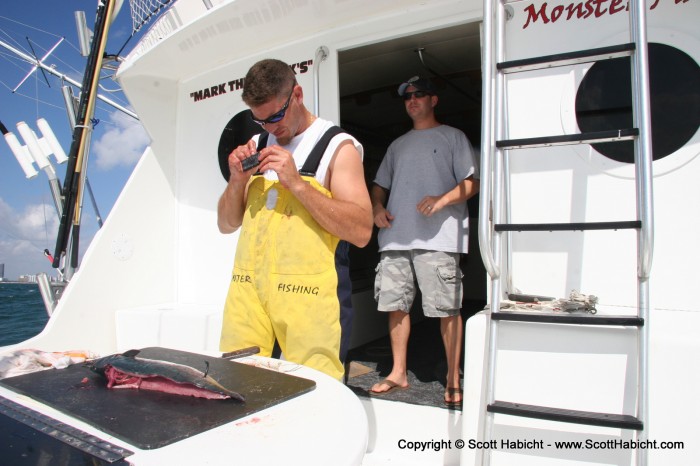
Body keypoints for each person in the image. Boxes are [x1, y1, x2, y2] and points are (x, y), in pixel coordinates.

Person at [218, 59, 373, 380]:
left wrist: (298, 183)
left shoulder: (337, 147)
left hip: (311, 307)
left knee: (317, 397)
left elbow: (361, 231)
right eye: (260, 121)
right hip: (249, 301)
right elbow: (227, 224)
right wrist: (236, 180)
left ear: (297, 94)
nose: (271, 128)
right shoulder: (258, 145)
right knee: (241, 389)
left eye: (276, 116)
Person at [369, 76, 479, 406]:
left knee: (447, 308)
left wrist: (441, 200)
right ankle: (398, 372)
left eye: (419, 95)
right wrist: (376, 207)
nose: (412, 100)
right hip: (395, 237)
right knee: (395, 305)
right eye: (407, 97)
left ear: (434, 100)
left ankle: (452, 376)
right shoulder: (397, 145)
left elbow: (472, 183)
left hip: (438, 237)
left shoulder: (453, 137)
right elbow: (379, 185)